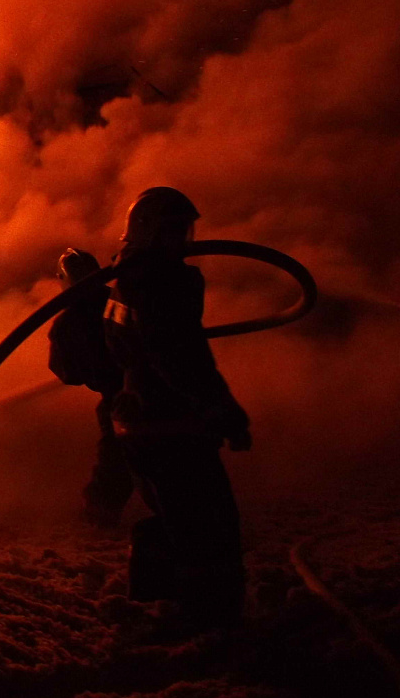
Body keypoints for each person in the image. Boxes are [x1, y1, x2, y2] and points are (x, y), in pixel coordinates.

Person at [103, 187, 251, 631]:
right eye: (172, 230)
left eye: (185, 229)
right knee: (208, 525)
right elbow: (181, 359)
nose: (182, 239)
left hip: (142, 417)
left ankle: (162, 595)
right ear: (149, 232)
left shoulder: (129, 276)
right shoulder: (158, 284)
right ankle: (208, 616)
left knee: (179, 516)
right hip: (168, 422)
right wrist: (222, 410)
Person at [47, 247, 131, 527]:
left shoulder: (67, 323)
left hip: (121, 393)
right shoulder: (121, 298)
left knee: (117, 451)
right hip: (149, 384)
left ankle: (100, 512)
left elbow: (68, 373)